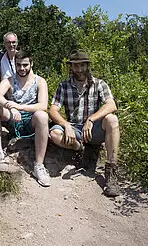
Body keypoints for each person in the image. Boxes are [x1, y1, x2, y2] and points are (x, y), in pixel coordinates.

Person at [49, 50, 120, 197]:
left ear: (87, 66)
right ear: (71, 67)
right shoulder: (63, 86)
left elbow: (111, 105)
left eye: (82, 65)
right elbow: (53, 110)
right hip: (74, 127)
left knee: (112, 119)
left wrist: (91, 119)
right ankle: (80, 149)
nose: (79, 70)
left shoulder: (99, 84)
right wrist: (66, 125)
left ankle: (111, 171)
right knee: (55, 134)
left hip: (93, 128)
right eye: (76, 66)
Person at [0, 50, 50, 187]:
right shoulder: (9, 80)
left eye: (25, 65)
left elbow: (43, 105)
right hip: (13, 118)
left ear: (31, 64)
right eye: (19, 65)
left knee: (42, 115)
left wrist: (20, 107)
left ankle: (39, 165)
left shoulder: (40, 81)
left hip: (31, 120)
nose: (22, 68)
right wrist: (10, 106)